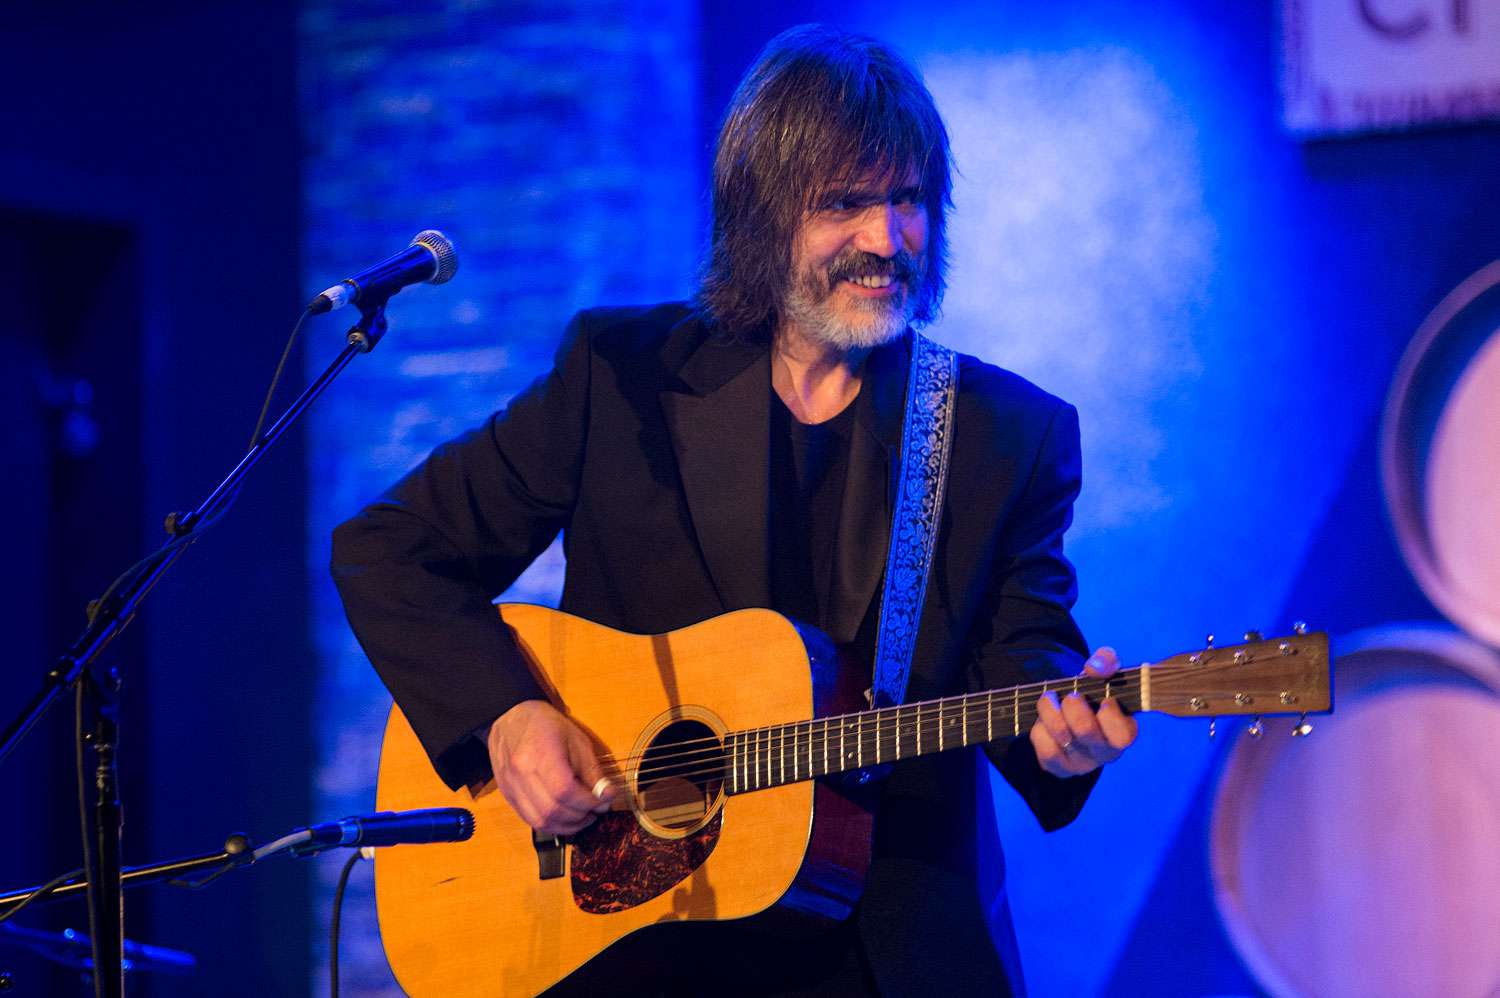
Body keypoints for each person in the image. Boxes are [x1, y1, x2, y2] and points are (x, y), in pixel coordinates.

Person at [332, 23, 1136, 997]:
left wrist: (1066, 729)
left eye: (908, 200)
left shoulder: (1002, 433)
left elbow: (1030, 656)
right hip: (632, 939)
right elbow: (390, 550)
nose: (888, 239)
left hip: (886, 954)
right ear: (763, 215)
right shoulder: (621, 376)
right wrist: (506, 716)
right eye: (847, 203)